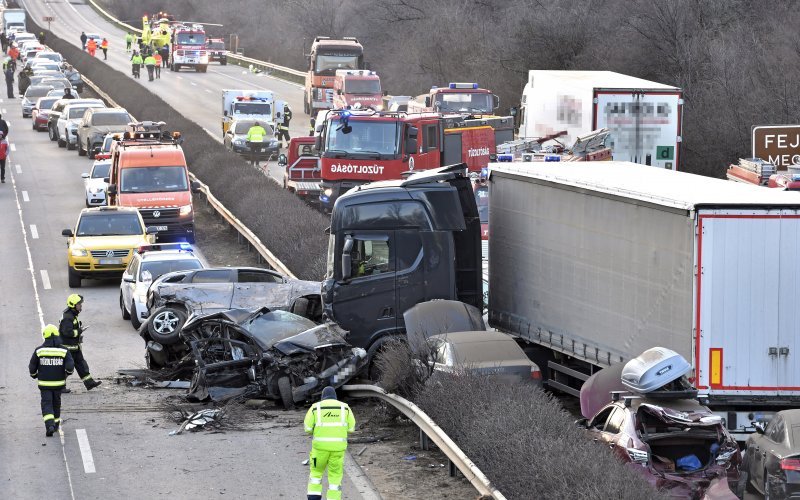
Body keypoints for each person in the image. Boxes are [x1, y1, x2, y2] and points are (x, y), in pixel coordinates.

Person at [303, 386, 355, 500]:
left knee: (316, 474)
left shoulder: (315, 408)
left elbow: (307, 428)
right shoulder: (345, 408)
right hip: (337, 451)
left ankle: (313, 498)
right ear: (335, 397)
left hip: (319, 450)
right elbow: (351, 428)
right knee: (335, 477)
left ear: (322, 397)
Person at [29, 324, 74, 437]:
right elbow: (70, 366)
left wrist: (34, 375)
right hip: (59, 384)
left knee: (46, 404)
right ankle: (56, 424)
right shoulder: (64, 351)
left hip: (44, 384)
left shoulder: (39, 351)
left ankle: (49, 425)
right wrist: (66, 375)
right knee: (56, 403)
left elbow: (32, 366)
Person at [59, 294, 102, 393]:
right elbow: (67, 332)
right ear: (73, 305)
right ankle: (60, 387)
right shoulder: (67, 317)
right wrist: (79, 331)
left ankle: (89, 383)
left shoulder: (72, 314)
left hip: (74, 347)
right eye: (79, 304)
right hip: (68, 348)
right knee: (67, 368)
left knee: (82, 365)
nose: (81, 305)